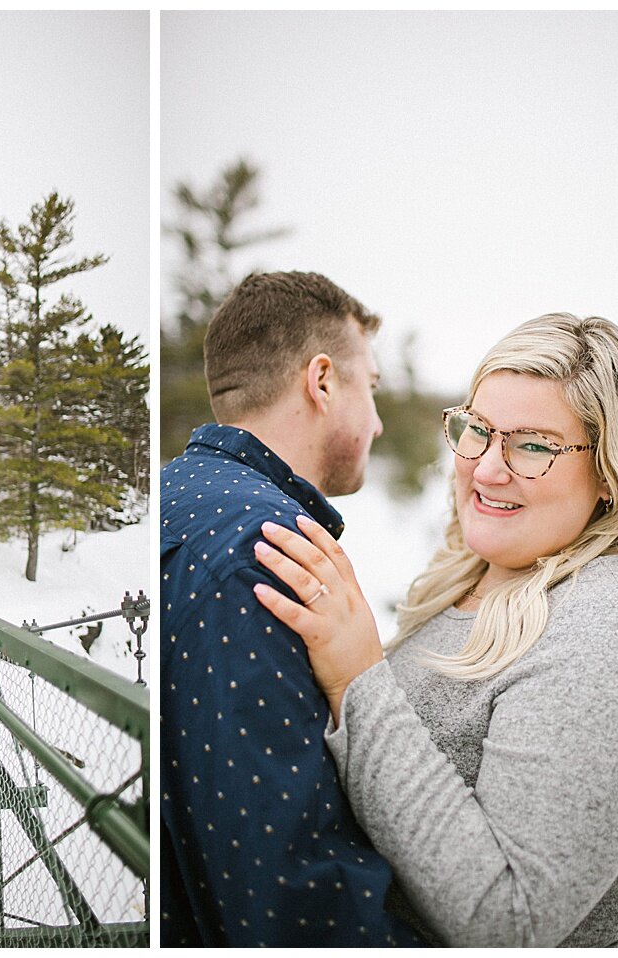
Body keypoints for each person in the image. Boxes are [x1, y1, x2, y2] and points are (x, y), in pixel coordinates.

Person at [254, 313, 618, 946]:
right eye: (477, 431)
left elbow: (510, 921)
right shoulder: (484, 573)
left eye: (532, 446)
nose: (487, 469)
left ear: (610, 472)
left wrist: (358, 678)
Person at [161, 271, 422, 946]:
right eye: (372, 387)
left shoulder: (174, 493)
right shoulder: (269, 552)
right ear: (324, 380)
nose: (379, 419)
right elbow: (293, 902)